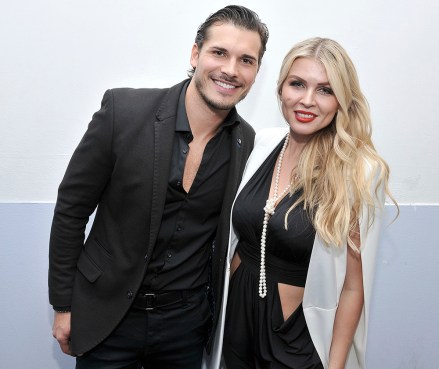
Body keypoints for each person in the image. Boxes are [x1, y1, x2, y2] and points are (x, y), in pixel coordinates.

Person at [49, 5, 269, 369]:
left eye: (246, 60)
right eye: (219, 52)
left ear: (256, 71)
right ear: (196, 53)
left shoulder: (247, 143)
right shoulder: (124, 110)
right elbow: (71, 209)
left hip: (186, 328)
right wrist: (64, 305)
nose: (231, 70)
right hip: (107, 315)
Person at [213, 37, 397, 369]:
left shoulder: (358, 171)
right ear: (281, 88)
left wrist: (336, 365)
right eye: (297, 84)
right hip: (236, 326)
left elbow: (354, 289)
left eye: (325, 90)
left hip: (294, 339)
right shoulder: (264, 143)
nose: (307, 100)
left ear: (342, 101)